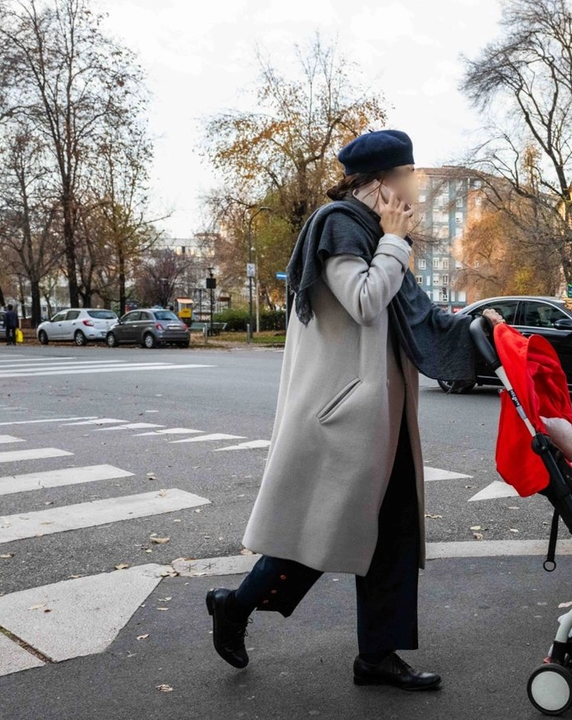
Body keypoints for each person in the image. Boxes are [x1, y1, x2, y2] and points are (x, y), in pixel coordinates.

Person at [205, 129, 505, 691]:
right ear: (378, 184)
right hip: (342, 416)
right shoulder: (341, 225)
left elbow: (406, 311)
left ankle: (377, 656)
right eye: (406, 177)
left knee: (390, 534)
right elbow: (366, 301)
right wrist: (394, 242)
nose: (413, 188)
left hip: (380, 416)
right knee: (317, 537)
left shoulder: (376, 232)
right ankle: (235, 605)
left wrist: (472, 328)